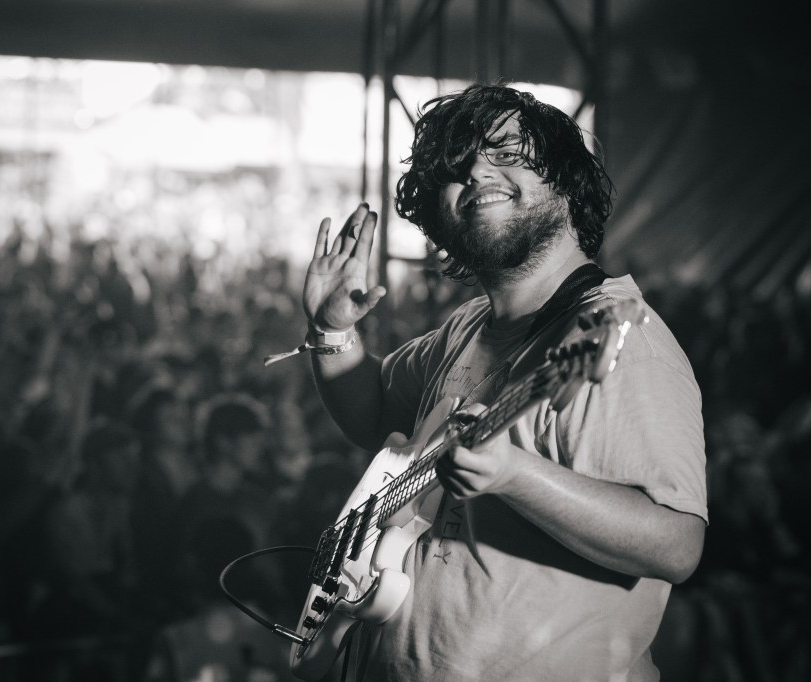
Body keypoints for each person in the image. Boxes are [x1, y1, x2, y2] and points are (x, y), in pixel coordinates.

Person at [290, 83, 708, 681]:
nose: (479, 173)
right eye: (457, 170)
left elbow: (675, 544)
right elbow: (375, 412)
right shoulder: (470, 325)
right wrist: (331, 332)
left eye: (506, 155)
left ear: (566, 182)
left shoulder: (617, 339)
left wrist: (515, 475)